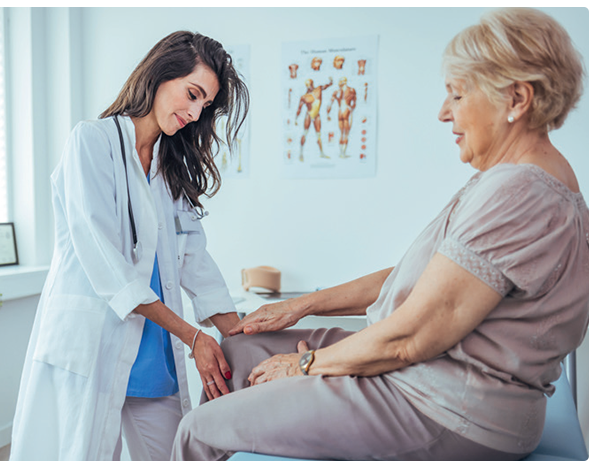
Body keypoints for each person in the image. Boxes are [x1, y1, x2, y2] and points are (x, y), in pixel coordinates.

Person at [171, 8, 587, 461]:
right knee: (239, 352)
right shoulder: (513, 179)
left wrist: (305, 365)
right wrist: (299, 306)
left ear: (517, 99)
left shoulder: (522, 193)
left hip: (445, 404)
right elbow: (427, 278)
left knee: (199, 429)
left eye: (458, 94)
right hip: (422, 373)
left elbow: (411, 337)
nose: (444, 113)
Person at [9, 31, 249, 461]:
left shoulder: (169, 168)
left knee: (177, 456)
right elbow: (107, 264)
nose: (195, 113)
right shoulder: (91, 142)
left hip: (153, 352)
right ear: (160, 75)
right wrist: (195, 338)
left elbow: (195, 260)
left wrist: (242, 334)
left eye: (205, 106)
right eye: (192, 94)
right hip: (91, 346)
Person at [295, 77, 334, 160]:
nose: (309, 86)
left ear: (312, 84)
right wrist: (296, 118)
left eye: (309, 84)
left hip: (316, 115)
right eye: (307, 85)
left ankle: (322, 153)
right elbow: (299, 109)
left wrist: (331, 82)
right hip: (308, 115)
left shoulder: (318, 89)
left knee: (318, 134)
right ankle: (301, 153)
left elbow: (326, 86)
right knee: (305, 133)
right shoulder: (304, 97)